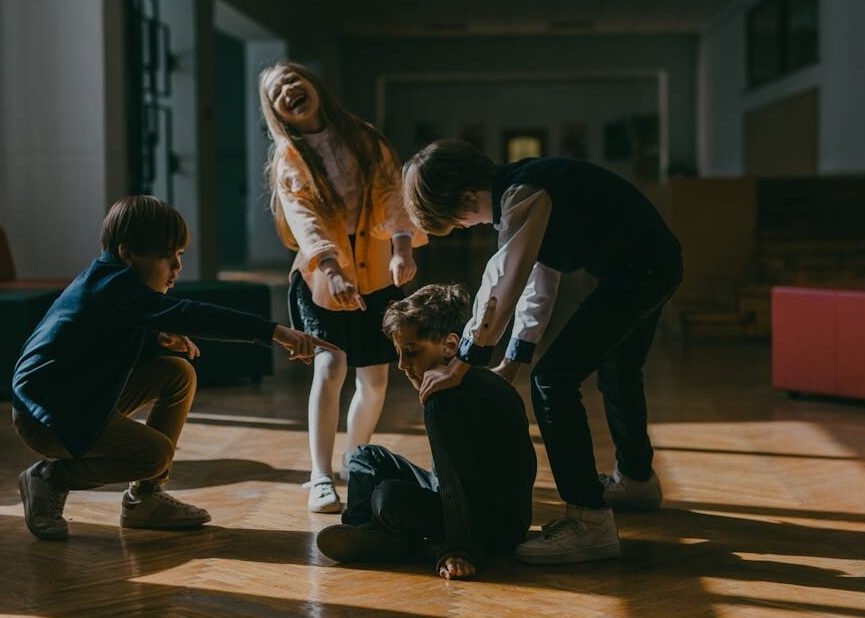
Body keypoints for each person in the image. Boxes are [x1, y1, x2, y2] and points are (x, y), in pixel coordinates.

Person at [402, 140, 683, 564]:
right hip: (652, 264)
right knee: (618, 368)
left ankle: (589, 520)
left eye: (459, 223)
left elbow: (504, 279)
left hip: (639, 271)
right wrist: (512, 360)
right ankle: (637, 480)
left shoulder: (522, 194)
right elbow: (538, 282)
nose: (469, 227)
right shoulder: (528, 188)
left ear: (464, 198)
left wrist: (465, 360)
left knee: (553, 380)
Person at [11, 195, 335, 541]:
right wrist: (273, 332)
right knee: (155, 454)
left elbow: (94, 344)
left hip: (78, 399)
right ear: (127, 253)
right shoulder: (112, 288)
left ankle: (144, 501)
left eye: (179, 255)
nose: (177, 268)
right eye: (168, 257)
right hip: (47, 418)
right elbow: (190, 313)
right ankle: (48, 479)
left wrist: (155, 341)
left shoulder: (112, 282)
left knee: (176, 373)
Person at [259, 62, 427, 513]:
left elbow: (394, 195)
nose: (289, 90)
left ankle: (358, 462)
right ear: (277, 113)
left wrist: (402, 247)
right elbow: (304, 219)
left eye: (294, 80)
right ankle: (319, 474)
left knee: (374, 380)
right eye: (277, 92)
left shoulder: (364, 138)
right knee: (330, 366)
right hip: (320, 276)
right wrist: (330, 267)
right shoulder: (289, 158)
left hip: (374, 274)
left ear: (314, 85)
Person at [316, 284, 535, 580]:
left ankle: (386, 537)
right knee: (364, 455)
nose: (403, 366)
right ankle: (366, 532)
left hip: (489, 525)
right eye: (399, 354)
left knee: (386, 496)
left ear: (450, 345)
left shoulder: (442, 399)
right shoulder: (479, 380)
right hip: (478, 504)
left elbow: (454, 479)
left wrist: (457, 549)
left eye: (411, 351)